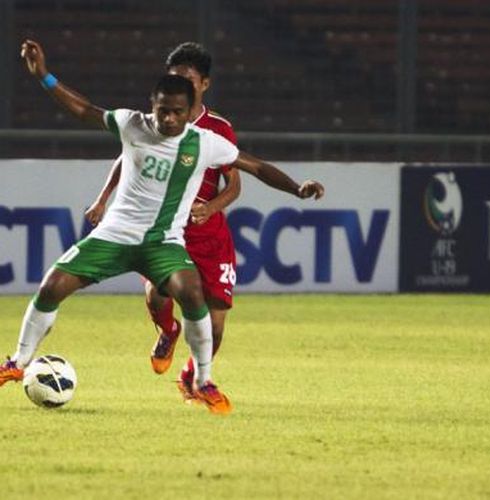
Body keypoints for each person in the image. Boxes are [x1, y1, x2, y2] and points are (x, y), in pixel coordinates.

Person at [0, 39, 324, 415]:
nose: (168, 119)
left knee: (192, 294)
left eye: (177, 113)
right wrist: (44, 76)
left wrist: (297, 188)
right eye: (162, 111)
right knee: (51, 286)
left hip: (163, 242)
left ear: (190, 113)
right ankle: (18, 361)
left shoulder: (206, 142)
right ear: (151, 105)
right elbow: (85, 110)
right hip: (115, 235)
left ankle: (203, 382)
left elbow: (257, 167)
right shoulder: (132, 124)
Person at [86, 42, 241, 401]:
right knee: (157, 294)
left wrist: (212, 207)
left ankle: (191, 377)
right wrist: (103, 198)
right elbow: (127, 158)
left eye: (187, 79)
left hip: (209, 235)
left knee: (215, 326)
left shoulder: (218, 130)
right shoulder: (159, 119)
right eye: (174, 79)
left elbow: (234, 185)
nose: (178, 87)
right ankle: (168, 330)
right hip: (163, 228)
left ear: (204, 84)